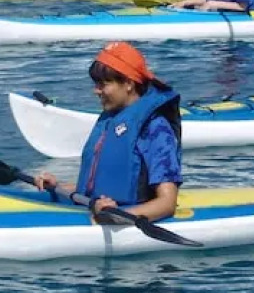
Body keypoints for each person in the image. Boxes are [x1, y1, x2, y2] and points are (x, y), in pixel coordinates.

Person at [37, 42, 181, 223]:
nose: (96, 91)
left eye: (103, 84)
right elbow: (96, 188)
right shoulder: (110, 120)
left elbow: (167, 203)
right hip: (98, 208)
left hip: (126, 213)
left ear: (128, 83)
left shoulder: (155, 129)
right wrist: (58, 187)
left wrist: (115, 217)